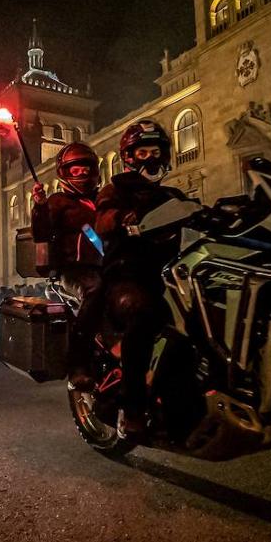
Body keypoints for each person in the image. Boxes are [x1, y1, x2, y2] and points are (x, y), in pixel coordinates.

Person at [94, 119, 188, 438]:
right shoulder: (116, 189)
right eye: (142, 151)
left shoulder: (172, 194)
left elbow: (196, 212)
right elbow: (103, 218)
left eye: (156, 150)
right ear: (129, 158)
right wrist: (122, 218)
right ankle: (131, 408)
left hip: (171, 273)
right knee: (144, 315)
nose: (151, 158)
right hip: (127, 275)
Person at [30, 142, 103, 389]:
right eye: (75, 170)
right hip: (74, 270)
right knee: (94, 291)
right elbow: (41, 232)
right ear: (65, 173)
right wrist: (40, 206)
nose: (82, 173)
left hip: (109, 265)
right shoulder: (58, 201)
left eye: (86, 168)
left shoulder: (105, 199)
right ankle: (78, 361)